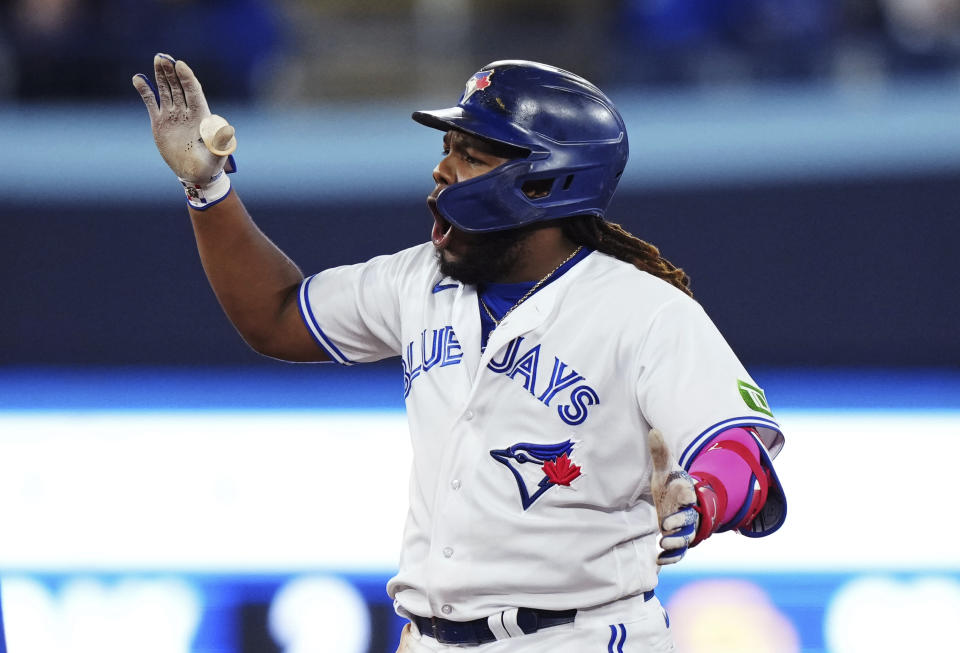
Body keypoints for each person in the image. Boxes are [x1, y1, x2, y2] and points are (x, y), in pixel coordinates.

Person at [133, 54, 787, 652]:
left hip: (578, 636)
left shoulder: (642, 310)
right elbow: (276, 315)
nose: (444, 168)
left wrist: (701, 496)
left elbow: (742, 455)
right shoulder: (420, 279)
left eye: (471, 153)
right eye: (448, 146)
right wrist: (209, 189)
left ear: (544, 183)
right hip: (430, 636)